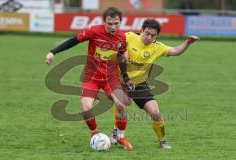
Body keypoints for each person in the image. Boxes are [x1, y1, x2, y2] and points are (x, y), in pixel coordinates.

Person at [45, 7, 132, 150]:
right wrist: (53, 52)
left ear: (120, 22)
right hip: (91, 77)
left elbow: (122, 58)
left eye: (116, 23)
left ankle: (120, 137)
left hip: (111, 78)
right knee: (86, 109)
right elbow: (74, 40)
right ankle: (94, 134)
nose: (113, 26)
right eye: (109, 23)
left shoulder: (122, 38)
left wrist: (126, 78)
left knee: (121, 105)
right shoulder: (94, 31)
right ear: (105, 22)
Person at [110, 19, 199, 149]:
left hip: (139, 84)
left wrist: (188, 43)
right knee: (121, 105)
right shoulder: (128, 37)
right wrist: (121, 52)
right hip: (119, 82)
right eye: (147, 33)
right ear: (141, 30)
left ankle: (162, 141)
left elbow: (175, 51)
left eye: (153, 35)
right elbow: (113, 45)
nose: (149, 37)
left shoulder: (157, 47)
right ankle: (116, 134)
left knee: (156, 113)